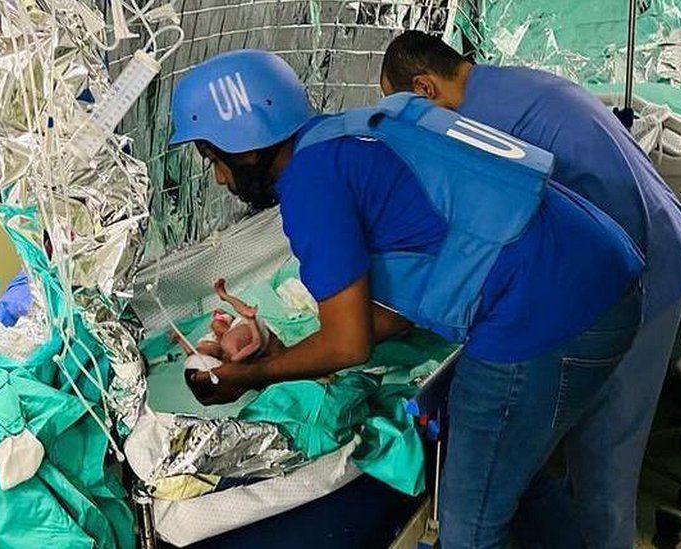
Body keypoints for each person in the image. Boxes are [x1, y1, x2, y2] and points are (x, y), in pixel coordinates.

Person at [168, 49, 648, 548]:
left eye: (213, 160)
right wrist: (289, 352)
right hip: (600, 272)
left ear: (243, 147)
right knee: (509, 481)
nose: (221, 179)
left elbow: (349, 344)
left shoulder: (310, 181)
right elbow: (391, 317)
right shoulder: (357, 132)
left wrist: (250, 376)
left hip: (546, 311)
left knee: (468, 524)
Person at [380, 30, 681, 548]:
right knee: (560, 460)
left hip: (642, 277)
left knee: (604, 463)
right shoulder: (509, 85)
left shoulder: (490, 124)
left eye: (406, 109)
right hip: (639, 251)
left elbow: (488, 238)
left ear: (424, 88)